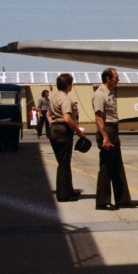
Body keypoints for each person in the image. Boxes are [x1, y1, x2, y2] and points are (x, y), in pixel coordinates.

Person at [93, 67, 138, 210]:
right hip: (107, 130)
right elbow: (99, 118)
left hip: (112, 130)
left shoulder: (109, 93)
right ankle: (102, 201)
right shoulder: (100, 94)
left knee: (117, 165)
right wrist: (105, 137)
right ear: (108, 78)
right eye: (116, 77)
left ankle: (123, 199)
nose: (118, 79)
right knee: (106, 167)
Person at [48, 73, 86, 202]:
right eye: (71, 83)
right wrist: (78, 132)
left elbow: (48, 114)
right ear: (68, 85)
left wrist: (52, 124)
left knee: (64, 162)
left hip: (55, 129)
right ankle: (64, 194)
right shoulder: (65, 99)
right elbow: (67, 118)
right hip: (63, 131)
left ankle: (69, 190)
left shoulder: (54, 97)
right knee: (64, 164)